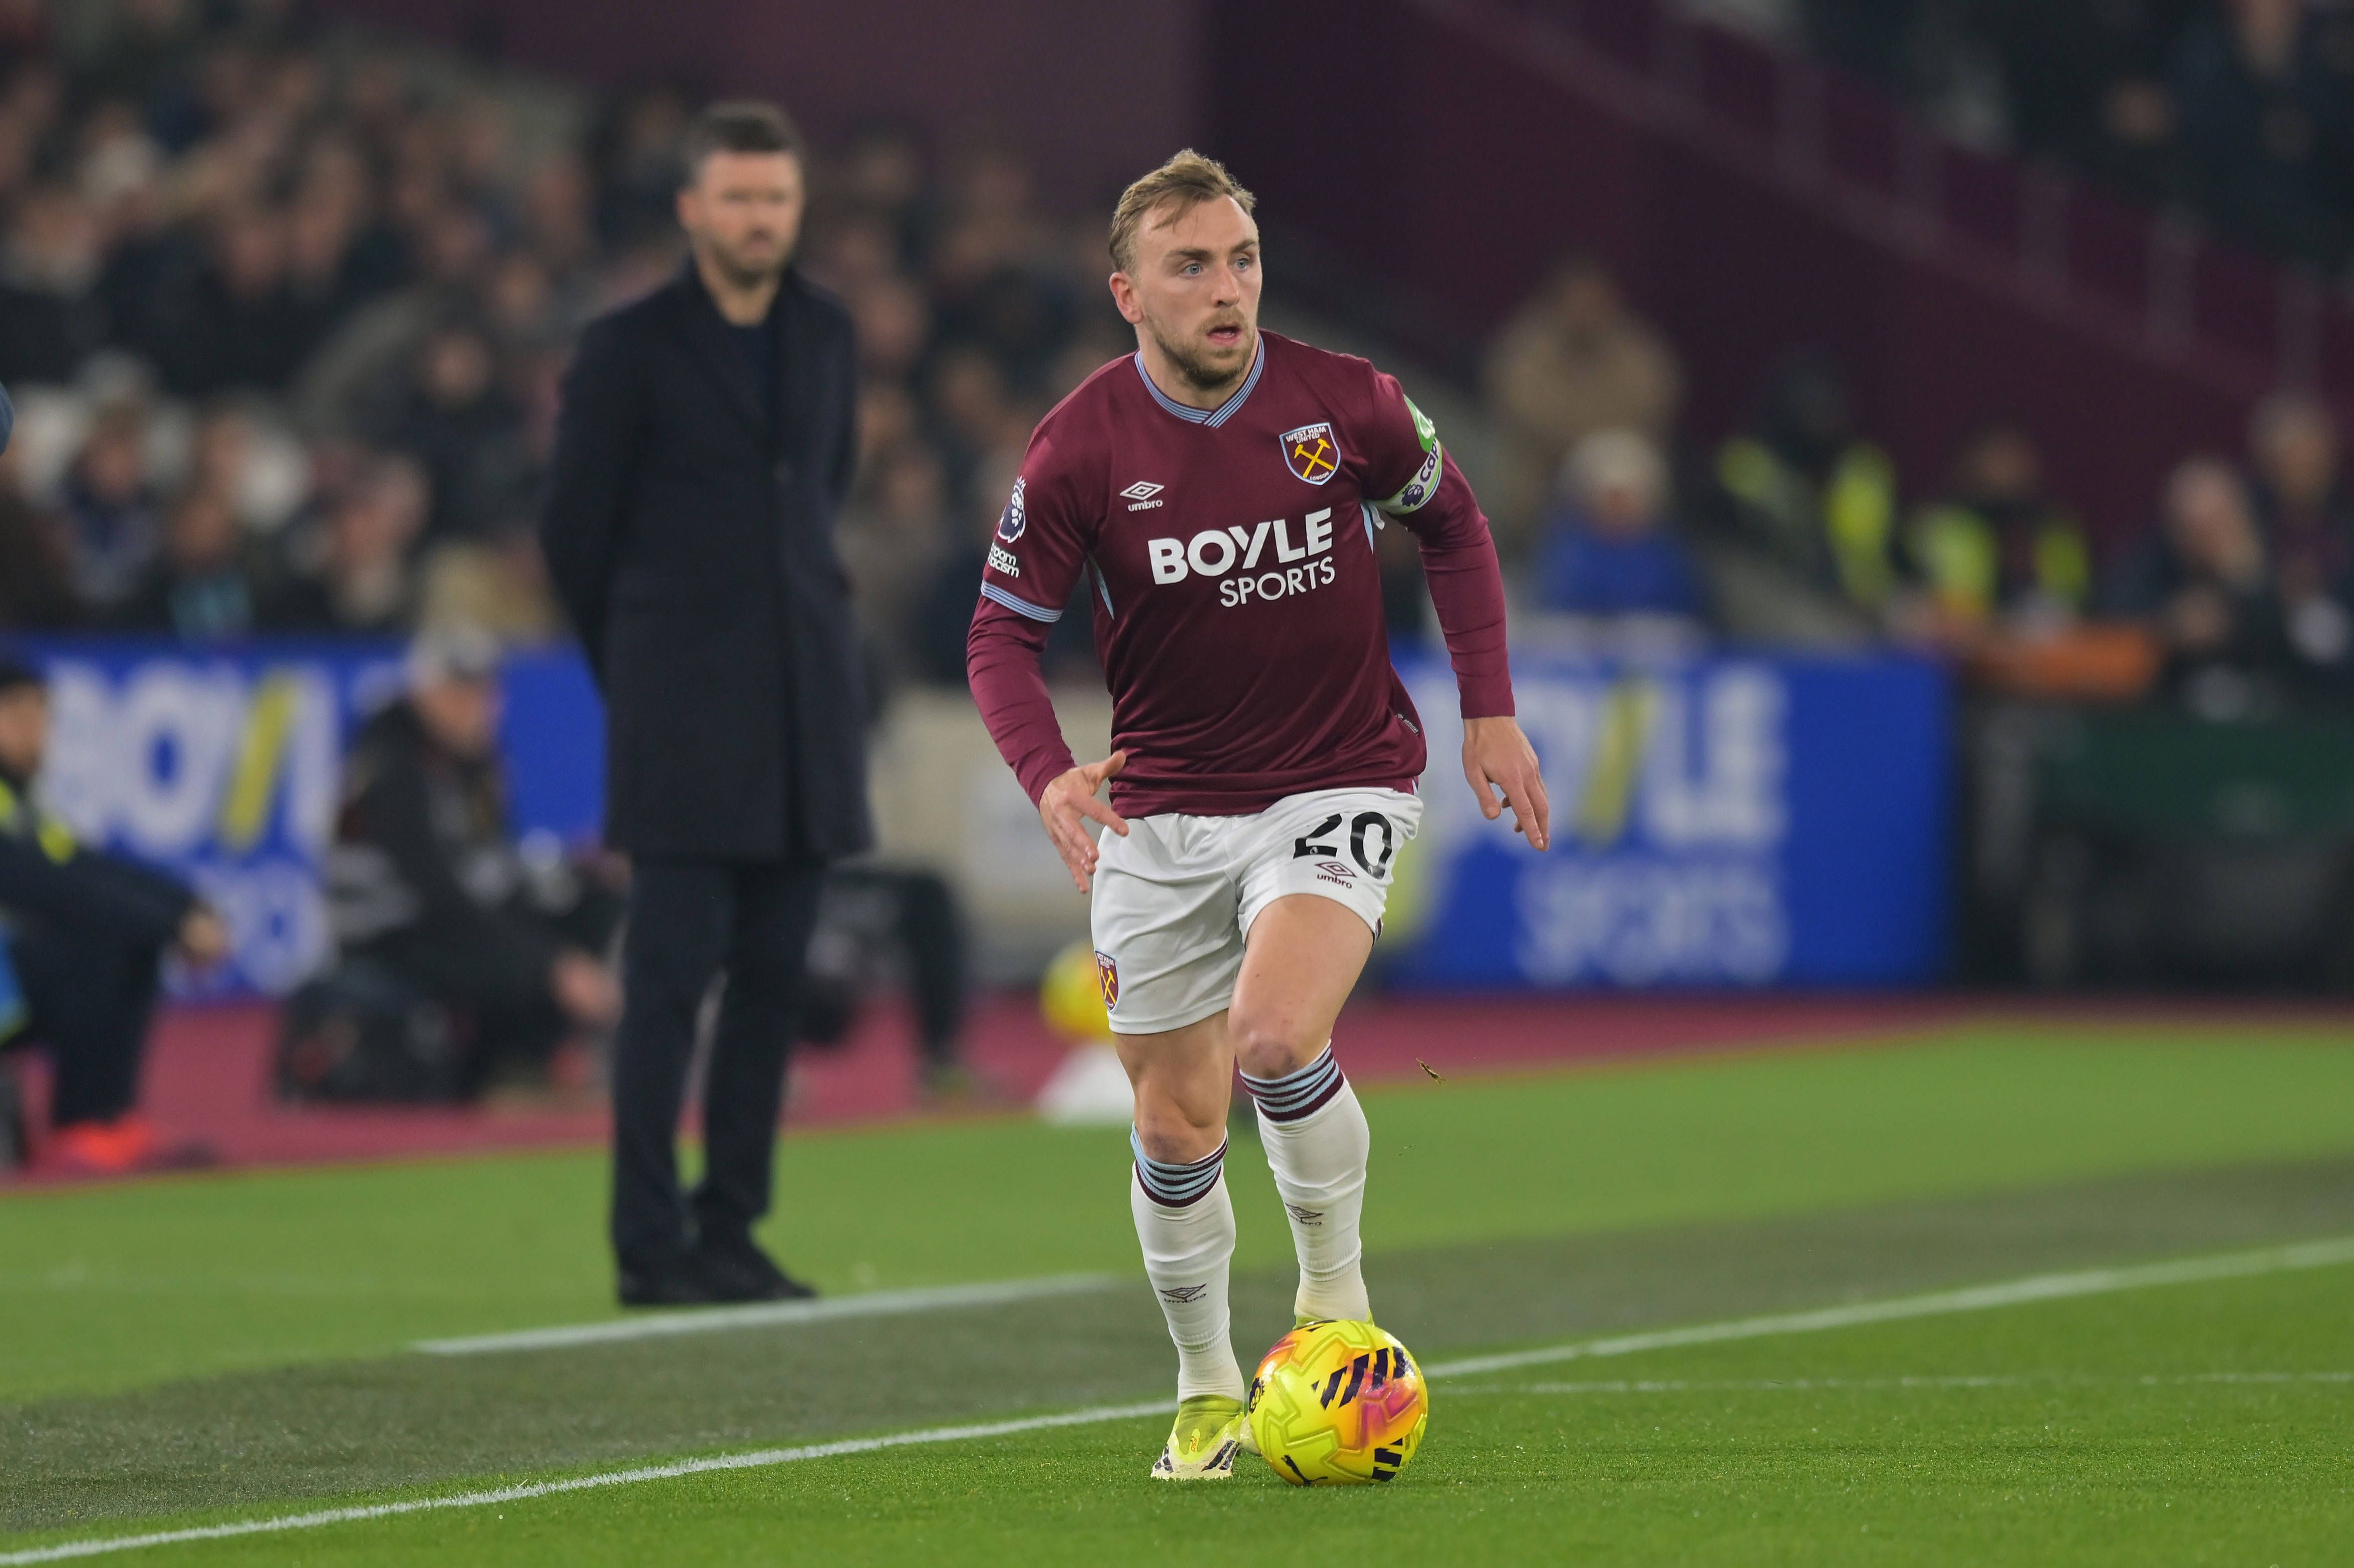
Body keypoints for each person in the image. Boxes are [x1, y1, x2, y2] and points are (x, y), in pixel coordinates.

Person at [966, 151, 1549, 1480]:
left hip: (1339, 774)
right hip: (1165, 813)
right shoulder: (1079, 449)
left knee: (1277, 1035)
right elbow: (999, 632)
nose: (1226, 289)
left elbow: (1452, 525)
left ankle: (1333, 1308)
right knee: (1175, 1128)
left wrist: (1488, 708)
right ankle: (1203, 1386)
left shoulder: (1347, 404)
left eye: (1240, 260)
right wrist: (1045, 770)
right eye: (1191, 266)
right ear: (1129, 292)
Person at [539, 102, 870, 1308]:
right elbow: (574, 533)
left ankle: (729, 1225)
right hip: (679, 713)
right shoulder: (626, 346)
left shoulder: (829, 335)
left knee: (774, 983)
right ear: (691, 209)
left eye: (774, 199)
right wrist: (639, 670)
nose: (756, 219)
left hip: (802, 706)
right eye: (735, 198)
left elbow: (820, 498)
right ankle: (646, 1242)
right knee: (668, 988)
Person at [322, 631, 622, 1099]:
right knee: (519, 965)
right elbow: (442, 895)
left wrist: (575, 880)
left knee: (590, 903)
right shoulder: (391, 768)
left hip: (449, 920)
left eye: (484, 691)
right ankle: (522, 1067)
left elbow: (496, 871)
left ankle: (538, 1061)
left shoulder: (473, 764)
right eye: (459, 692)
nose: (477, 706)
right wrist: (551, 964)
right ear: (424, 694)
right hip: (392, 935)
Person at [0, 652, 230, 1174]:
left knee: (125, 931)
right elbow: (45, 884)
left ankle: (111, 1118)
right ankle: (81, 1121)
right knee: (100, 938)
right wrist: (174, 923)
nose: (35, 731)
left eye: (41, 715)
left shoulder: (18, 803)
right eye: (16, 716)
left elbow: (84, 864)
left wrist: (187, 905)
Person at [1482, 252, 1682, 545]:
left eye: (1594, 302)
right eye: (1577, 300)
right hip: (1540, 484)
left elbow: (1656, 400)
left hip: (1617, 490)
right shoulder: (1526, 349)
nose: (1585, 311)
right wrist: (1589, 440)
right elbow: (1526, 411)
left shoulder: (1637, 355)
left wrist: (1599, 450)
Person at [1531, 428, 1707, 634]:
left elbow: (1684, 612)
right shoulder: (1568, 551)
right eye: (1611, 499)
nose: (1618, 508)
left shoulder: (1665, 552)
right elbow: (1554, 608)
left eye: (1626, 499)